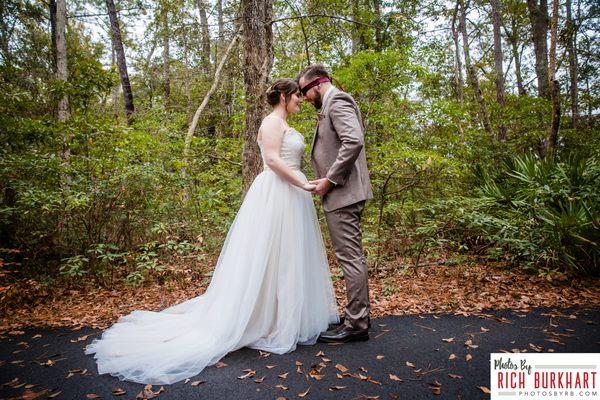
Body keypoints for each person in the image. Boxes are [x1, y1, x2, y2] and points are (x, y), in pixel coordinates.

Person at [85, 78, 339, 385]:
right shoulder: (272, 123)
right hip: (278, 193)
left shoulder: (285, 122)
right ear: (284, 96)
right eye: (297, 96)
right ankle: (261, 318)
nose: (300, 100)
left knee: (289, 256)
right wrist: (301, 182)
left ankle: (282, 316)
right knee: (268, 254)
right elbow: (272, 160)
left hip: (294, 195)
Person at [297, 64, 374, 343]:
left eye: (305, 90)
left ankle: (357, 325)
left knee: (350, 257)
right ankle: (357, 314)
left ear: (318, 83)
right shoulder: (330, 103)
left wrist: (330, 180)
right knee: (351, 256)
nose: (304, 97)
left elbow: (353, 141)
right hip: (344, 193)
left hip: (344, 193)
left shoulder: (337, 100)